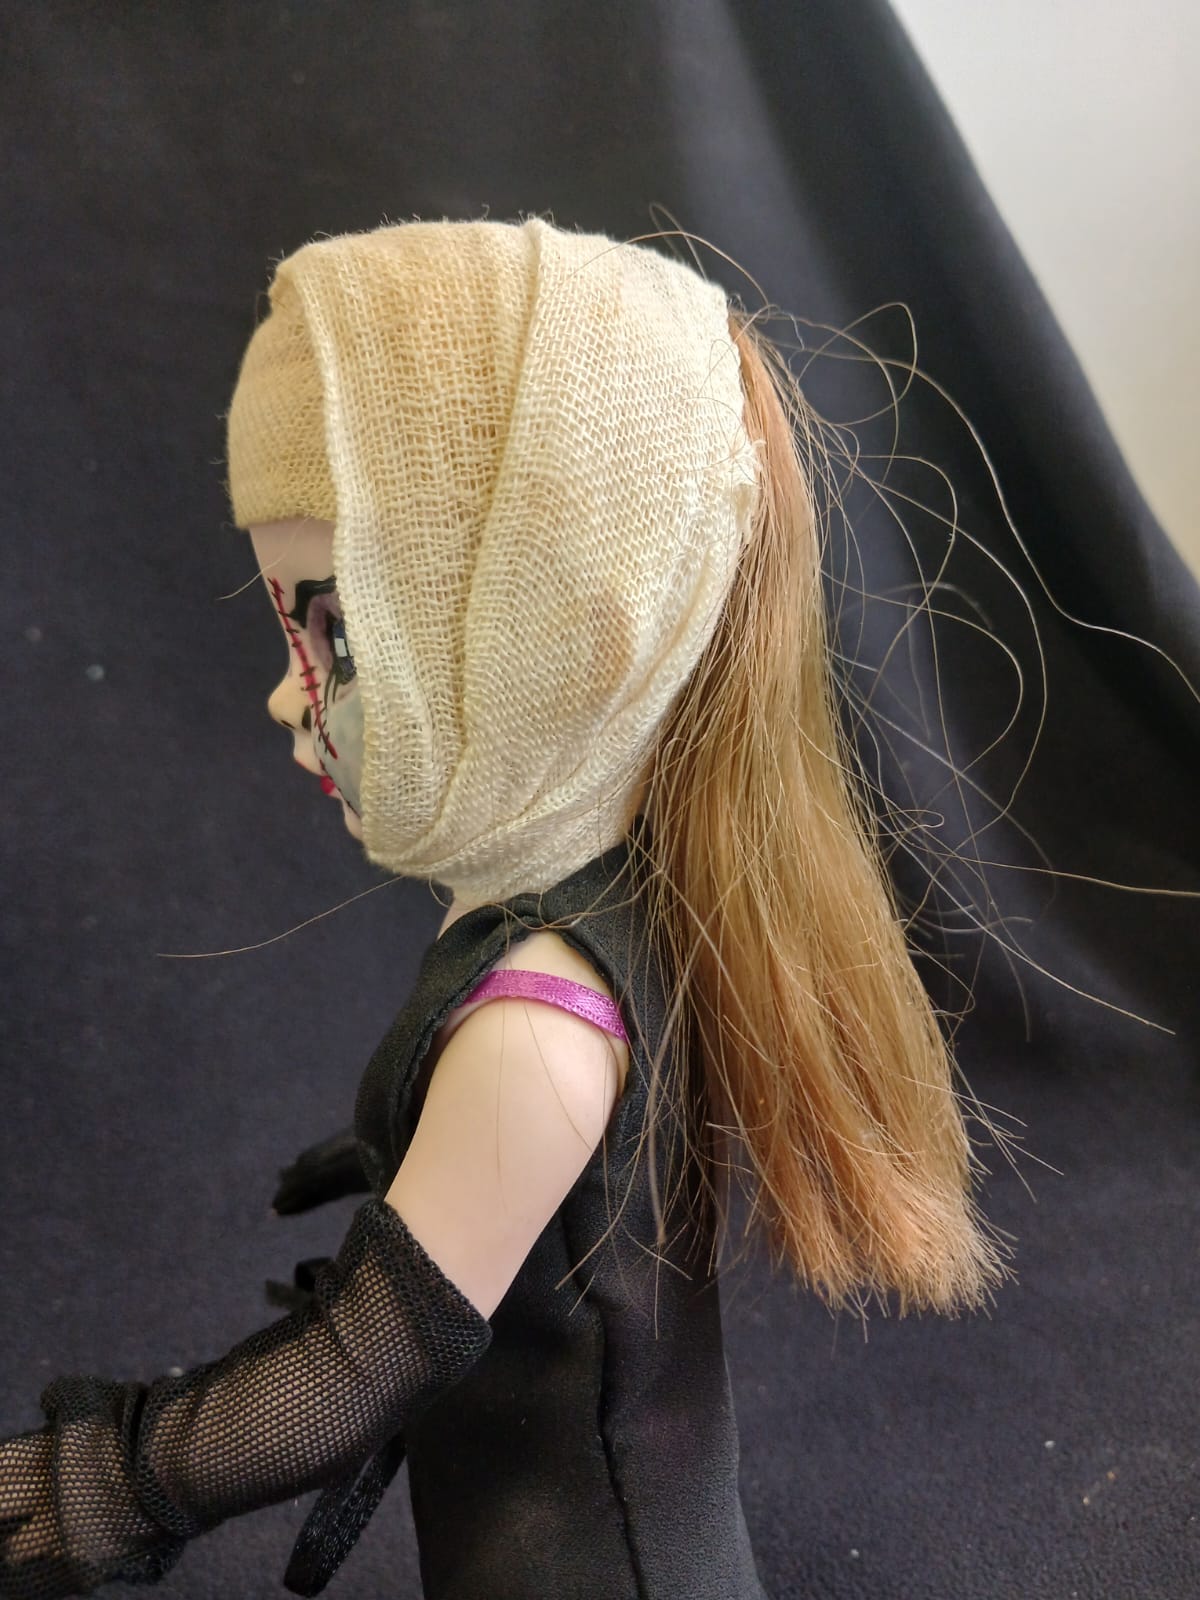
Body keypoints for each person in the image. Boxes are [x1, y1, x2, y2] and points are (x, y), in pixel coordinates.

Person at [0, 217, 1006, 1599]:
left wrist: (93, 1483)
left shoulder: (539, 1032)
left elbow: (353, 1371)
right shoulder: (584, 914)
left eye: (339, 637)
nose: (291, 695)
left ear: (556, 635)